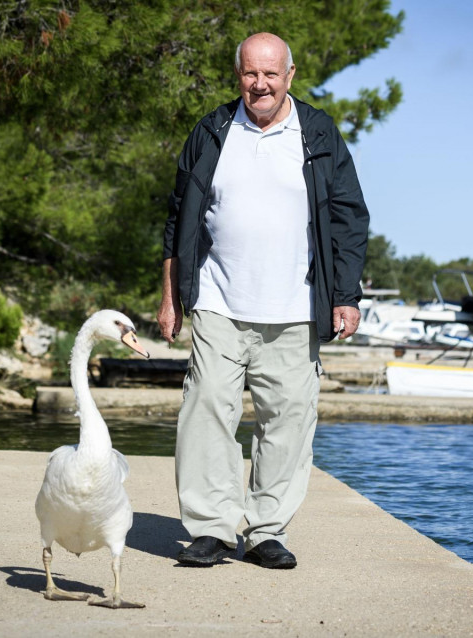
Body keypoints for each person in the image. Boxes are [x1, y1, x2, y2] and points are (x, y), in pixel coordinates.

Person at [158, 32, 369, 569]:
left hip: (296, 308)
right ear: (239, 77)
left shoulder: (318, 132)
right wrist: (169, 296)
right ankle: (212, 527)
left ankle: (266, 530)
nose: (261, 84)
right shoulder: (212, 130)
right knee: (205, 411)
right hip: (218, 300)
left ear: (290, 76)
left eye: (271, 74)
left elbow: (348, 219)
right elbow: (177, 218)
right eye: (251, 74)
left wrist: (346, 295)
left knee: (289, 422)